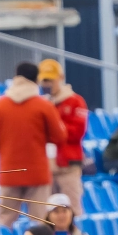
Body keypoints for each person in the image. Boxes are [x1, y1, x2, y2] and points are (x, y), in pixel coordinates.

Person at [0, 62, 66, 227]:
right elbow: (60, 136)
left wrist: (6, 150)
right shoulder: (43, 105)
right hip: (37, 171)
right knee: (40, 221)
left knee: (5, 221)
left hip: (9, 171)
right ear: (36, 79)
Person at [38, 58, 87, 215]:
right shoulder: (42, 103)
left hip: (68, 166)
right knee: (48, 213)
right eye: (45, 80)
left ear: (60, 78)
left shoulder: (75, 101)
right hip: (47, 166)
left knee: (72, 209)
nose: (48, 84)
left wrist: (55, 128)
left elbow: (77, 131)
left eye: (50, 80)